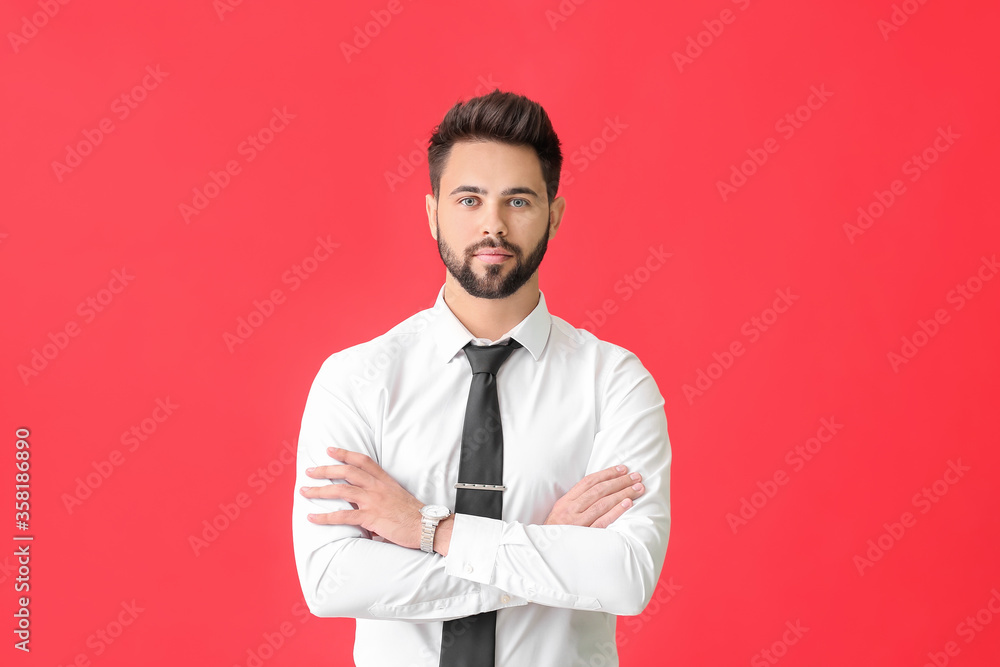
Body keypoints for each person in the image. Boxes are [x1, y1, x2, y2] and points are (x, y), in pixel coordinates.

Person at [292, 89, 671, 667]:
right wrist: (543, 553)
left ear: (555, 214)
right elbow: (332, 581)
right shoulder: (356, 379)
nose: (492, 225)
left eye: (518, 200)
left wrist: (428, 530)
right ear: (432, 212)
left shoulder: (615, 383)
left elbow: (624, 576)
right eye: (469, 199)